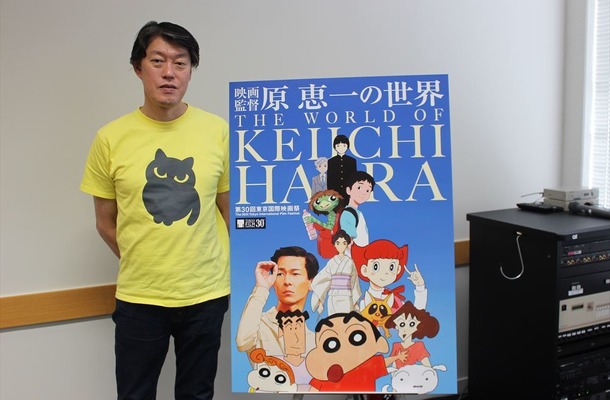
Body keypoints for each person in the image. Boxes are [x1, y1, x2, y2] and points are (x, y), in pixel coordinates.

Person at [80, 21, 230, 400]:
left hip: (206, 294)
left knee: (197, 394)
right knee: (135, 394)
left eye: (180, 62)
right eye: (158, 60)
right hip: (140, 297)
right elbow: (105, 223)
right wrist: (145, 259)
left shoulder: (217, 131)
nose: (169, 73)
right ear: (138, 67)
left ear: (191, 70)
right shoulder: (110, 138)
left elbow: (229, 213)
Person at [236, 246, 319, 362]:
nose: (287, 281)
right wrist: (262, 288)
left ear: (312, 282)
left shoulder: (315, 341)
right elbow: (242, 342)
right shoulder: (258, 324)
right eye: (280, 274)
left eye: (295, 274)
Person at [327, 134, 357, 199]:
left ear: (347, 146)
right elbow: (329, 179)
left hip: (348, 191)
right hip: (335, 191)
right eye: (338, 146)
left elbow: (354, 178)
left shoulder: (352, 161)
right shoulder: (331, 161)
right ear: (334, 147)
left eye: (344, 145)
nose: (341, 148)